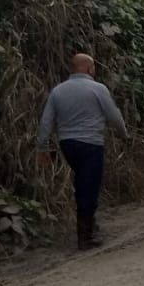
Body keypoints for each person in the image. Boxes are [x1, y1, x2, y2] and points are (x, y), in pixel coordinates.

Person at [36, 54, 127, 250]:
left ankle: (88, 224)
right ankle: (85, 236)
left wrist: (42, 146)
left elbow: (46, 121)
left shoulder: (58, 91)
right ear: (89, 69)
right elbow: (114, 116)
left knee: (82, 182)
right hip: (90, 143)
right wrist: (123, 134)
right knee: (89, 186)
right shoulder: (97, 89)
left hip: (67, 145)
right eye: (93, 67)